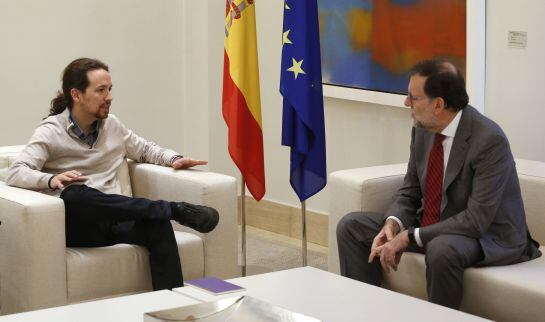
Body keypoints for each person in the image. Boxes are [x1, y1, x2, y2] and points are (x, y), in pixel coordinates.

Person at [336, 59, 541, 309]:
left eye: (413, 97)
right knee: (352, 226)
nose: (406, 103)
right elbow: (410, 189)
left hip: (485, 236)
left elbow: (476, 219)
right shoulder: (422, 129)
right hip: (434, 226)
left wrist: (410, 236)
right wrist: (393, 224)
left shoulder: (489, 140)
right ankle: (365, 313)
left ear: (439, 105)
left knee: (442, 248)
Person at [6, 57, 219, 291]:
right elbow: (16, 172)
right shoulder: (51, 131)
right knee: (75, 195)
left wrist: (175, 159)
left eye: (109, 89)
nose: (109, 97)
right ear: (76, 94)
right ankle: (173, 209)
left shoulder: (112, 125)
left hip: (117, 220)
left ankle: (172, 304)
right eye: (100, 90)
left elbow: (145, 149)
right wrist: (50, 179)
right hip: (81, 227)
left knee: (158, 224)